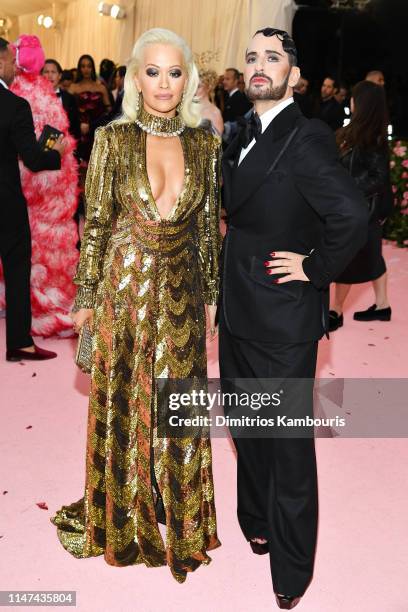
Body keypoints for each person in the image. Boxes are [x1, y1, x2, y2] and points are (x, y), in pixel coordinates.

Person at [51, 27, 222, 583]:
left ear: (188, 78)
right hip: (123, 290)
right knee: (126, 401)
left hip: (181, 291)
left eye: (175, 72)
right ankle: (124, 514)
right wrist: (85, 297)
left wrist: (213, 295)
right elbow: (96, 225)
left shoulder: (204, 144)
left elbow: (206, 231)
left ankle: (180, 511)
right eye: (154, 71)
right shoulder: (113, 140)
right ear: (135, 78)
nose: (165, 83)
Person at [219, 27, 368, 609]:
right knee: (244, 425)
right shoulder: (240, 131)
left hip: (282, 317)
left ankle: (293, 566)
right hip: (237, 308)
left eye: (272, 57)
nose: (259, 66)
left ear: (294, 76)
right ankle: (255, 519)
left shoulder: (305, 136)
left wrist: (316, 267)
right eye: (252, 56)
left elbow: (351, 214)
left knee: (284, 441)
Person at [2, 35, 79, 338]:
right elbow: (33, 157)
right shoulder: (19, 102)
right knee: (22, 258)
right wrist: (56, 155)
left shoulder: (19, 96)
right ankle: (21, 333)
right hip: (15, 192)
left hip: (19, 190)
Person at [329, 81, 392, 330]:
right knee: (371, 256)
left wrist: (345, 186)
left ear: (361, 103)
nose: (350, 101)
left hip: (364, 209)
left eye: (354, 98)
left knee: (353, 257)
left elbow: (377, 178)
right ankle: (382, 305)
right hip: (358, 207)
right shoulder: (357, 131)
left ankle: (336, 310)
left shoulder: (373, 136)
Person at [69, 54, 111, 163]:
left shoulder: (101, 88)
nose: (86, 69)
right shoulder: (73, 88)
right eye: (83, 66)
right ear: (79, 69)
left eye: (89, 66)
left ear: (92, 68)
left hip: (98, 131)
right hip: (77, 132)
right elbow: (68, 112)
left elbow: (109, 111)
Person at [42, 58, 81, 139]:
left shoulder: (70, 99)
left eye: (53, 72)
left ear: (60, 76)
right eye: (46, 72)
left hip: (66, 146)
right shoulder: (34, 98)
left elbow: (75, 127)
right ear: (41, 75)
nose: (50, 75)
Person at [197, 68, 224, 136]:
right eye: (193, 86)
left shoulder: (214, 112)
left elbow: (216, 143)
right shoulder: (189, 108)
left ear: (209, 87)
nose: (194, 90)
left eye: (198, 87)